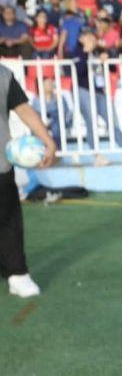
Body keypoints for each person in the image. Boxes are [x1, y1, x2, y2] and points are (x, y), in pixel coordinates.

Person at [0, 61, 57, 298]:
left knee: (8, 219)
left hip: (0, 165)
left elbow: (23, 108)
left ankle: (17, 274)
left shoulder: (2, 75)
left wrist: (47, 140)